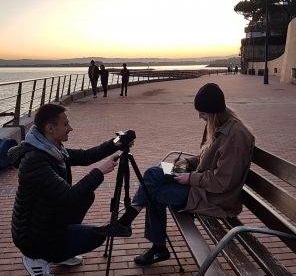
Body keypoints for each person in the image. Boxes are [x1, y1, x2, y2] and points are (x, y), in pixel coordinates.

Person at [107, 83, 255, 266]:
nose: (200, 117)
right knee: (153, 173)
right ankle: (127, 220)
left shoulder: (236, 136)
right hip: (200, 183)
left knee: (156, 194)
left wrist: (190, 178)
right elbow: (207, 158)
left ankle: (155, 246)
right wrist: (188, 163)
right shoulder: (220, 125)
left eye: (202, 113)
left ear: (213, 111)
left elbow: (223, 181)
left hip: (212, 197)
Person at [9, 103, 128, 276]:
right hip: (33, 237)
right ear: (50, 128)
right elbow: (69, 196)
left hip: (48, 221)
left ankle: (60, 253)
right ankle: (37, 259)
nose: (70, 128)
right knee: (95, 236)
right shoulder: (35, 160)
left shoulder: (52, 149)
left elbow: (86, 156)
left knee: (86, 196)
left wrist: (117, 143)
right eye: (65, 124)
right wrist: (100, 171)